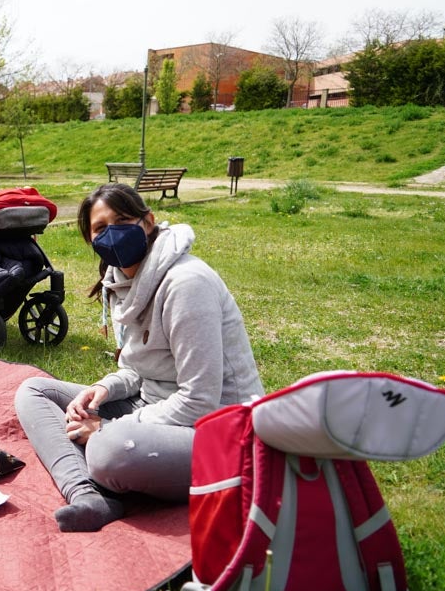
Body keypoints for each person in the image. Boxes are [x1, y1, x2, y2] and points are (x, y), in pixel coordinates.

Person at [14, 183, 263, 532]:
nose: (112, 233)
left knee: (108, 450)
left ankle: (103, 463)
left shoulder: (186, 284)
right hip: (156, 411)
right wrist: (103, 388)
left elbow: (200, 401)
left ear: (148, 222)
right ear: (91, 240)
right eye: (100, 228)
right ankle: (89, 495)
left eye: (122, 220)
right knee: (34, 391)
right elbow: (136, 368)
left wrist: (108, 428)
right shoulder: (120, 281)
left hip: (220, 433)